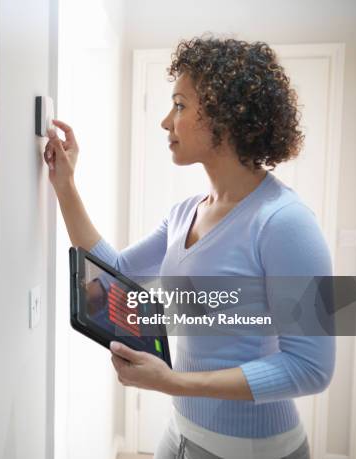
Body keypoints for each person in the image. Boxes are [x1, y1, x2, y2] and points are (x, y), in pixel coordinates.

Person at [43, 36, 333, 459]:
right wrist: (65, 185)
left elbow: (312, 369)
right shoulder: (184, 213)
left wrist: (172, 381)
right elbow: (118, 271)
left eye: (179, 105)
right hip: (180, 434)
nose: (165, 121)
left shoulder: (288, 222)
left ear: (225, 116)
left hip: (253, 449)